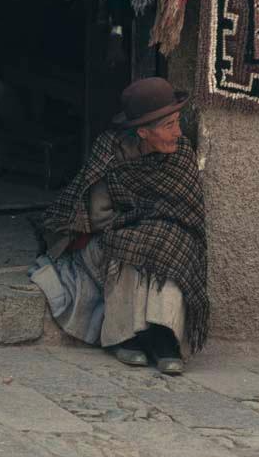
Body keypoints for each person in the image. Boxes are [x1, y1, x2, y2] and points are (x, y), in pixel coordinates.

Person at [28, 77, 210, 374]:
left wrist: (149, 225)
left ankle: (164, 338)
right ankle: (124, 336)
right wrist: (140, 223)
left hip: (168, 236)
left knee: (171, 242)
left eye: (177, 122)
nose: (178, 132)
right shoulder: (110, 152)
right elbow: (97, 217)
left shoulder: (181, 154)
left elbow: (187, 213)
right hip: (112, 238)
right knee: (133, 243)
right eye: (169, 126)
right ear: (142, 132)